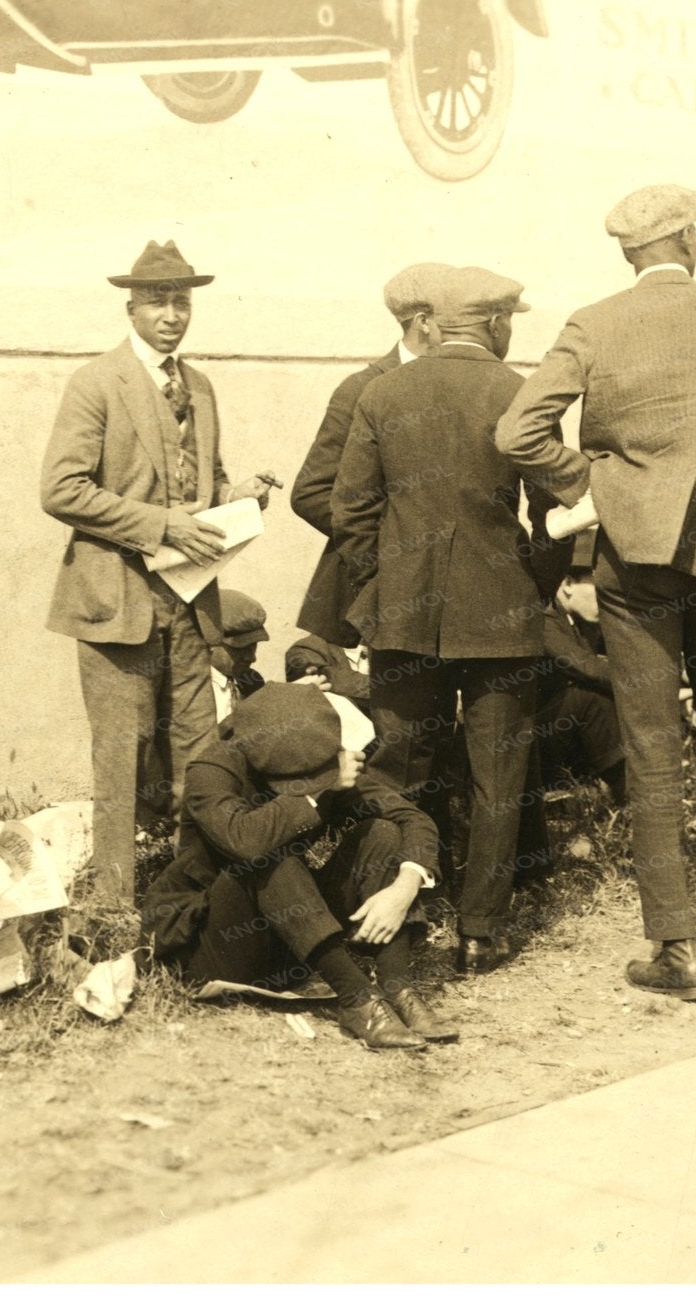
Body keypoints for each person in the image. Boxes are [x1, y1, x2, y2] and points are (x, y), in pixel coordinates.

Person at [495, 183, 696, 1002]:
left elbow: (517, 432)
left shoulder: (594, 322)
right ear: (690, 242)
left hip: (633, 569)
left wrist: (601, 489)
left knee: (650, 754)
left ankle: (678, 950)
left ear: (627, 253)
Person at [39, 240, 281, 901]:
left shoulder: (200, 388)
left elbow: (208, 479)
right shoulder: (96, 383)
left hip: (189, 601)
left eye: (182, 301)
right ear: (131, 309)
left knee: (201, 756)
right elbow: (61, 490)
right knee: (122, 758)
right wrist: (161, 524)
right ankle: (116, 908)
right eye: (158, 302)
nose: (172, 314)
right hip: (115, 601)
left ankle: (193, 901)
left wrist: (241, 499)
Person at [333, 265, 551, 975]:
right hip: (501, 620)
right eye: (509, 319)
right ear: (492, 324)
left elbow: (350, 513)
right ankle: (481, 933)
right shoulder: (517, 391)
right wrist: (531, 588)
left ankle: (390, 916)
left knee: (397, 771)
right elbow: (555, 514)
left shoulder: (382, 392)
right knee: (498, 778)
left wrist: (380, 594)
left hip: (405, 618)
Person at [139, 684, 447, 1050]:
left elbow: (412, 818)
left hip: (292, 940)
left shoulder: (318, 755)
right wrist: (316, 790)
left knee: (380, 832)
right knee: (268, 855)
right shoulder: (212, 771)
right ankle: (357, 1000)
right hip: (215, 943)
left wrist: (405, 886)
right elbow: (245, 840)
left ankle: (397, 988)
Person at [292, 263, 449, 647]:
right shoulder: (362, 388)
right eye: (456, 315)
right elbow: (311, 493)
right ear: (424, 321)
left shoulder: (455, 385)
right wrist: (390, 550)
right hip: (367, 596)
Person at [534, 560, 626, 798]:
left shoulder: (585, 619)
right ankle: (628, 789)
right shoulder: (542, 617)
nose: (606, 599)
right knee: (589, 696)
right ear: (567, 584)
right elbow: (588, 669)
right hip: (533, 740)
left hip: (563, 731)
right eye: (600, 589)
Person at [209, 588, 268, 720]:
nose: (252, 657)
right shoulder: (190, 689)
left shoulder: (252, 683)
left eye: (254, 647)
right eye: (242, 647)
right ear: (210, 642)